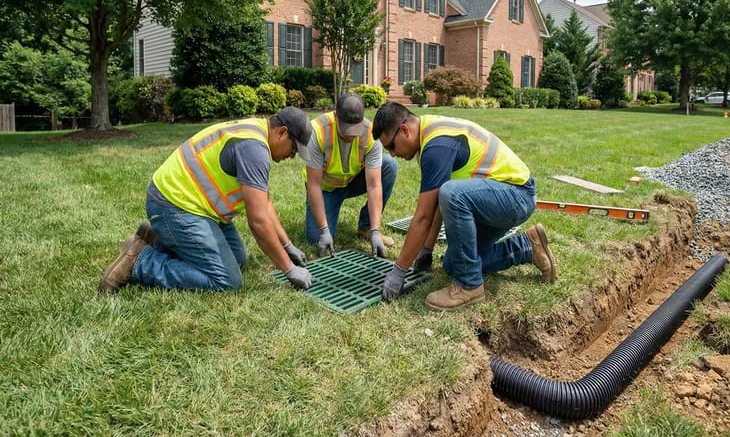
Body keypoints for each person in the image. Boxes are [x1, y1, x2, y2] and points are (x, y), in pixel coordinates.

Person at [99, 107, 315, 293]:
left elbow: (264, 203)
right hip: (174, 207)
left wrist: (287, 245)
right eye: (294, 149)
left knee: (238, 259)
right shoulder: (253, 150)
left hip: (194, 207)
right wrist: (289, 269)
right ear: (282, 132)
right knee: (226, 280)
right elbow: (258, 222)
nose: (292, 156)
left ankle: (158, 239)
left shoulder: (255, 131)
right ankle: (140, 261)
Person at [371, 102, 556, 310]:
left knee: (452, 193)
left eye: (391, 147)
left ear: (404, 130)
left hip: (516, 196)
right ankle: (526, 247)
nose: (392, 154)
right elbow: (435, 207)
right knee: (453, 264)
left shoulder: (436, 145)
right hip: (499, 199)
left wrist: (399, 272)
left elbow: (424, 217)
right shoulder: (429, 133)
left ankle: (469, 286)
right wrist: (426, 249)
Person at [304, 92, 398, 257]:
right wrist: (324, 229)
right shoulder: (317, 131)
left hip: (354, 181)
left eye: (355, 128)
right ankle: (326, 224)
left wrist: (375, 230)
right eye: (346, 128)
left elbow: (374, 185)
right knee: (315, 238)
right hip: (326, 188)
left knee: (389, 164)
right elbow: (314, 185)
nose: (350, 135)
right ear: (336, 115)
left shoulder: (370, 133)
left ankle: (366, 227)